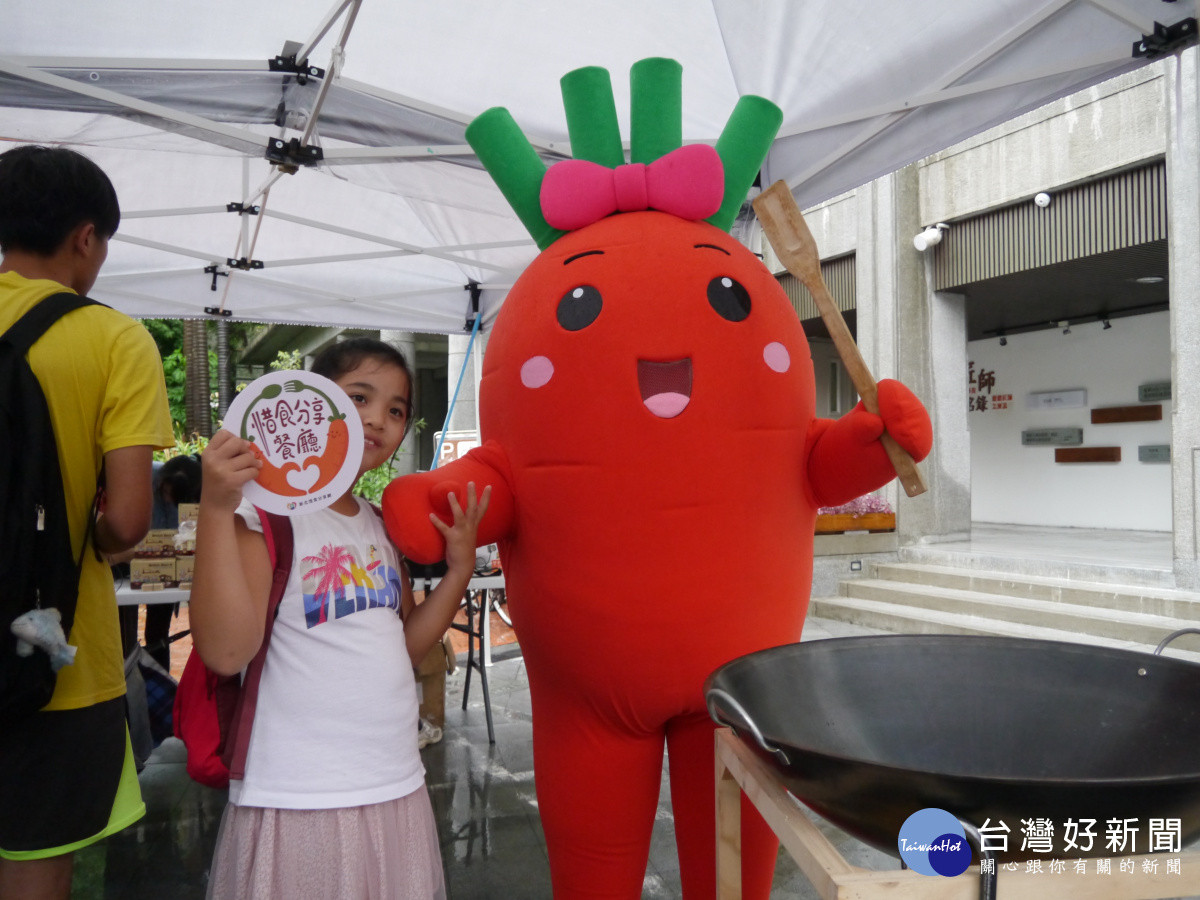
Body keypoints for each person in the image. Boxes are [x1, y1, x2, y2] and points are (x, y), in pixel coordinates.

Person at [191, 337, 489, 899]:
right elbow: (226, 653)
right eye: (359, 397)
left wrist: (458, 571)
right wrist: (215, 506)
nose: (377, 419)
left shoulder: (379, 525)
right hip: (299, 797)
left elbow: (405, 647)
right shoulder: (264, 519)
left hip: (393, 782)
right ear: (313, 403)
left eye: (396, 410)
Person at [0, 146, 174, 899]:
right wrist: (87, 533)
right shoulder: (114, 339)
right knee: (35, 863)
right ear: (85, 237)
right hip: (54, 657)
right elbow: (128, 521)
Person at [114, 454, 203, 670]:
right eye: (166, 493)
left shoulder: (196, 488)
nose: (168, 501)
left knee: (157, 632)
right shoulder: (142, 477)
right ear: (162, 480)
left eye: (175, 499)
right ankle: (128, 676)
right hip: (128, 562)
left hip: (167, 567)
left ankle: (160, 679)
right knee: (124, 630)